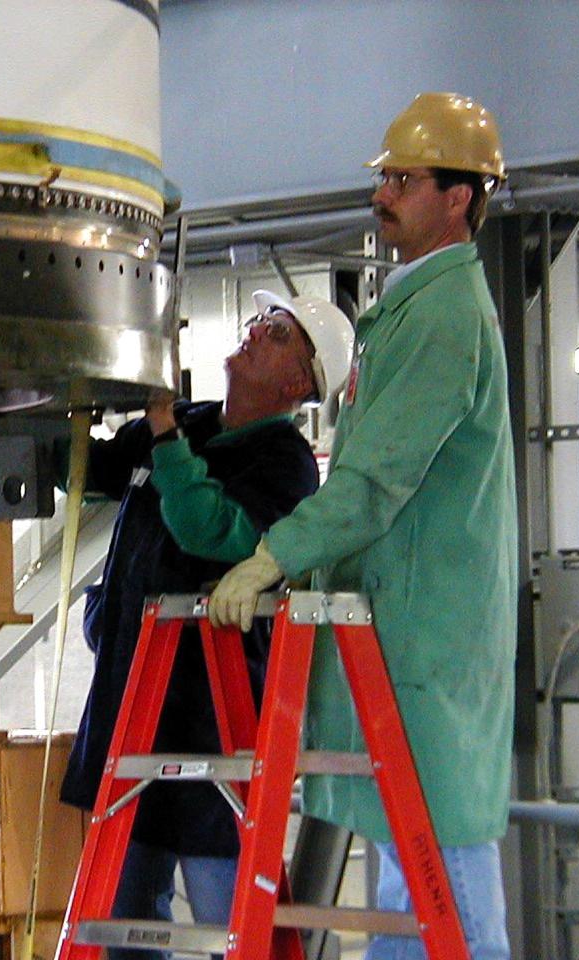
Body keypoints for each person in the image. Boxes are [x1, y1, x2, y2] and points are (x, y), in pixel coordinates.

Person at [209, 92, 516, 960]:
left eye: (403, 181)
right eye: (384, 179)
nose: (382, 195)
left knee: (446, 893)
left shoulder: (445, 318)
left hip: (424, 649)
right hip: (403, 643)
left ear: (458, 198)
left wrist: (271, 557)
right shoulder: (413, 310)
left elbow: (375, 481)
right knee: (413, 892)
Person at [58, 290, 354, 953]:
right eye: (261, 321)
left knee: (230, 923)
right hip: (133, 707)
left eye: (278, 333)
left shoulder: (284, 463)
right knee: (124, 923)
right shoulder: (187, 421)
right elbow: (86, 470)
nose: (256, 331)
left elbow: (208, 531)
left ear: (299, 384)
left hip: (211, 721)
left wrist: (164, 432)